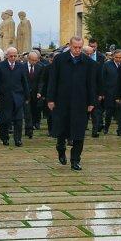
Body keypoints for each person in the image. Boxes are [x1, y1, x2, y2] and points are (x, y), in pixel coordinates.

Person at [46, 36, 97, 171]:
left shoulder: (88, 62)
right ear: (70, 45)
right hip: (62, 101)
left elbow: (91, 84)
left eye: (80, 47)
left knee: (79, 132)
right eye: (75, 47)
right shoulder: (59, 60)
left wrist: (92, 102)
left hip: (81, 102)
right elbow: (53, 80)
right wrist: (50, 99)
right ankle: (61, 148)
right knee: (62, 129)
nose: (77, 50)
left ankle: (75, 160)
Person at [0, 47, 29, 147]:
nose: (13, 58)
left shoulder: (21, 66)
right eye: (11, 56)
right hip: (5, 97)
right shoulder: (1, 66)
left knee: (18, 120)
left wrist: (27, 96)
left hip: (18, 97)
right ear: (7, 56)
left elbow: (24, 81)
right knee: (5, 120)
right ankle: (5, 138)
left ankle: (18, 139)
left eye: (15, 56)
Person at [101, 49, 121, 136]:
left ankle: (120, 130)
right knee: (109, 113)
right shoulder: (107, 65)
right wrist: (102, 93)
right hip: (110, 93)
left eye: (120, 57)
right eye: (116, 57)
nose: (118, 59)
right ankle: (106, 127)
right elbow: (103, 79)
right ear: (113, 56)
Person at [24, 50, 44, 139]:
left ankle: (35, 123)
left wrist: (40, 92)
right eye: (32, 60)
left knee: (35, 110)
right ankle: (29, 130)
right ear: (28, 59)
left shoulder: (40, 67)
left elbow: (41, 81)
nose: (34, 62)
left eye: (36, 60)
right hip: (25, 93)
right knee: (27, 112)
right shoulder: (22, 67)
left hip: (36, 93)